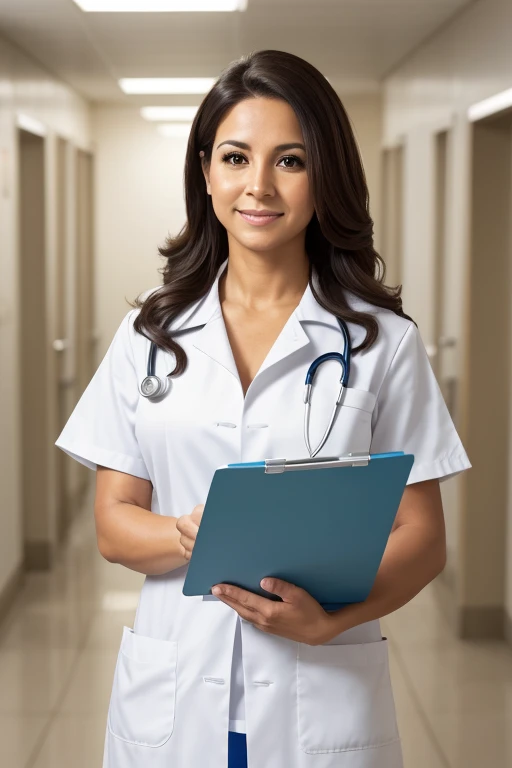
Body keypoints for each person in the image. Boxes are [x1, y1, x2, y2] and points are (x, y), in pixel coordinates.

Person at [55, 49, 471, 768]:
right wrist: (189, 535)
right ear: (207, 171)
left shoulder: (381, 342)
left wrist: (330, 619)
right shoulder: (148, 335)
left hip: (322, 684)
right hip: (176, 687)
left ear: (324, 177)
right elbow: (114, 525)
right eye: (236, 157)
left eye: (290, 161)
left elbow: (422, 538)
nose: (258, 187)